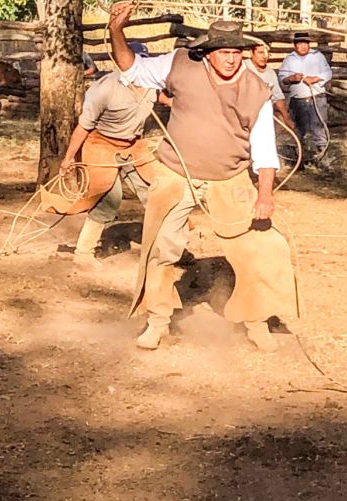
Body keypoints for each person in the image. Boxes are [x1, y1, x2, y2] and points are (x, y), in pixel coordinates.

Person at [108, 5, 297, 351]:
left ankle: (257, 322)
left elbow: (265, 149)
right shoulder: (180, 63)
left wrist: (265, 195)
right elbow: (130, 67)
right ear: (208, 53)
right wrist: (116, 31)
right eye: (224, 52)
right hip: (175, 172)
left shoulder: (257, 91)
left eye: (236, 52)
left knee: (259, 247)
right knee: (162, 247)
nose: (231, 59)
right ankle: (158, 321)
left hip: (230, 176)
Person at [58, 43, 157, 268]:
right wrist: (69, 157)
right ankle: (83, 252)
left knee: (157, 192)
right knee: (108, 197)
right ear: (120, 61)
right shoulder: (103, 89)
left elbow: (165, 98)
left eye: (142, 60)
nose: (137, 65)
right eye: (132, 59)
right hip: (101, 143)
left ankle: (170, 249)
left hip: (133, 145)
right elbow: (84, 126)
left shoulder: (152, 84)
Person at [278, 32, 332, 163]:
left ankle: (322, 158)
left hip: (317, 97)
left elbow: (328, 72)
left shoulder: (317, 56)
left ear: (309, 44)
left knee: (318, 128)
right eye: (299, 44)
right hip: (298, 100)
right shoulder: (289, 59)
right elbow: (281, 79)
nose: (303, 46)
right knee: (298, 130)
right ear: (295, 45)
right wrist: (291, 78)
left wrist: (316, 78)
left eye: (305, 43)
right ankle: (298, 159)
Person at [244, 42, 296, 132]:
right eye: (260, 53)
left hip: (263, 114)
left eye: (267, 53)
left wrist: (286, 118)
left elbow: (278, 97)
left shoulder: (270, 72)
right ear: (251, 53)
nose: (265, 56)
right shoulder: (243, 67)